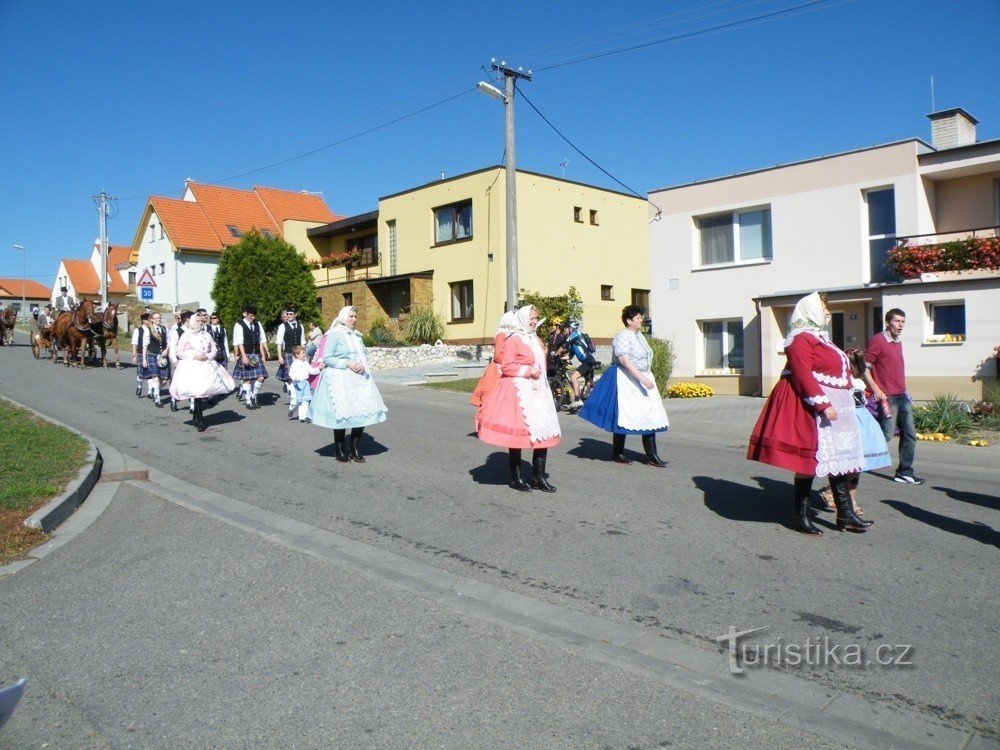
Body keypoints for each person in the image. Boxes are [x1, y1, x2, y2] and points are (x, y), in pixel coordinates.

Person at [747, 292, 872, 535]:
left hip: (833, 409)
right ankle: (799, 515)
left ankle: (845, 513)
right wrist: (823, 404)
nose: (827, 313)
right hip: (808, 407)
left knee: (835, 458)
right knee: (810, 460)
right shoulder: (800, 338)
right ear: (812, 310)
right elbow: (802, 373)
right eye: (823, 308)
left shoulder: (820, 338)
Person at [477, 305, 561, 492]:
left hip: (538, 390)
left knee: (543, 432)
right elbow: (506, 366)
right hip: (519, 391)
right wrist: (527, 370)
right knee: (517, 436)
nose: (533, 321)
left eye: (535, 318)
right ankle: (515, 478)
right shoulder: (514, 339)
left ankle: (538, 476)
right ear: (522, 319)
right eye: (530, 318)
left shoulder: (535, 338)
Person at [579, 305, 669, 467]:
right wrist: (642, 378)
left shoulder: (639, 335)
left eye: (641, 317)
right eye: (638, 318)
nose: (641, 320)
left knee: (651, 414)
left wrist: (646, 376)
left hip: (642, 377)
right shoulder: (623, 336)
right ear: (629, 320)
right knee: (623, 415)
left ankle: (652, 455)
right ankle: (618, 453)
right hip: (627, 379)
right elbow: (624, 361)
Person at [308, 305, 388, 462]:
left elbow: (363, 355)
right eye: (351, 316)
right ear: (344, 317)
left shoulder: (356, 335)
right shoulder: (334, 334)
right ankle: (339, 449)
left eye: (355, 317)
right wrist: (348, 363)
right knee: (342, 415)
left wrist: (361, 364)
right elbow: (328, 357)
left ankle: (355, 447)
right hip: (340, 378)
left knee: (361, 411)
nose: (354, 319)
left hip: (358, 379)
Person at [816, 350, 890, 517]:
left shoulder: (858, 381)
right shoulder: (838, 381)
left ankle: (844, 497)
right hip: (847, 421)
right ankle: (839, 496)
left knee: (859, 464)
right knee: (850, 463)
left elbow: (865, 376)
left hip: (862, 420)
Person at [865, 308, 924, 484]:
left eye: (903, 322)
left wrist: (905, 391)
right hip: (887, 397)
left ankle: (904, 471)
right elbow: (865, 368)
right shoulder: (878, 340)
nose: (901, 325)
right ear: (887, 322)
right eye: (897, 321)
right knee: (886, 434)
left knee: (909, 433)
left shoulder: (897, 342)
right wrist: (876, 389)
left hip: (902, 395)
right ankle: (857, 461)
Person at [168, 313, 236, 432]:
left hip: (205, 364)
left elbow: (214, 349)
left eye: (201, 321)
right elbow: (179, 351)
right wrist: (194, 356)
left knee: (202, 392)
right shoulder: (186, 335)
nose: (200, 323)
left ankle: (197, 416)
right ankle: (199, 419)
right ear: (193, 321)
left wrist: (208, 356)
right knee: (197, 393)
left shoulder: (206, 334)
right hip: (191, 365)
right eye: (198, 321)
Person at [470, 311, 517, 430]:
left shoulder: (510, 335)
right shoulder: (502, 335)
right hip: (497, 370)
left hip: (504, 369)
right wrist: (510, 362)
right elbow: (498, 356)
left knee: (503, 399)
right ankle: (484, 425)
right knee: (491, 398)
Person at [232, 305, 269, 409]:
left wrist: (264, 355)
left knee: (261, 377)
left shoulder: (258, 324)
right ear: (245, 314)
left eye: (254, 316)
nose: (253, 318)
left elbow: (261, 340)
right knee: (247, 379)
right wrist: (243, 356)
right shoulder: (239, 325)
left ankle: (254, 395)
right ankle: (248, 401)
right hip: (246, 354)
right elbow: (239, 342)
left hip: (257, 354)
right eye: (251, 315)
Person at [566, 321, 600, 407]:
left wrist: (555, 354)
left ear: (571, 328)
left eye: (567, 328)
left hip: (587, 361)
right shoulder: (576, 342)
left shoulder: (574, 336)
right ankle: (585, 399)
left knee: (574, 377)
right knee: (588, 381)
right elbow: (570, 356)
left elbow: (564, 345)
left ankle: (577, 400)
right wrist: (560, 358)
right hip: (590, 360)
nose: (566, 330)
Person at [140, 312, 170, 407]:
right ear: (152, 319)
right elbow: (145, 345)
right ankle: (157, 399)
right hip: (152, 355)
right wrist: (144, 359)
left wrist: (166, 350)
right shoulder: (148, 330)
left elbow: (169, 341)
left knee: (164, 381)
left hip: (163, 356)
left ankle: (155, 389)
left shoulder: (164, 329)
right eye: (156, 318)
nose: (158, 319)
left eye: (159, 318)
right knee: (155, 377)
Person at [167, 310, 194, 413]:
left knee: (192, 382)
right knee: (178, 382)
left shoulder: (193, 331)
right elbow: (173, 347)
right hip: (180, 361)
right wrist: (174, 360)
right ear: (187, 319)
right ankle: (173, 400)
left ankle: (192, 405)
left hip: (192, 360)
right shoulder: (177, 331)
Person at [288, 344, 323, 422]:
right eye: (302, 353)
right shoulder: (294, 364)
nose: (304, 354)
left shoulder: (306, 363)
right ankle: (291, 410)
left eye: (304, 352)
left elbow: (311, 371)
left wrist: (319, 369)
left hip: (305, 383)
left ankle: (303, 417)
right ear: (297, 355)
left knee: (306, 400)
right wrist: (295, 378)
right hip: (296, 384)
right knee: (296, 401)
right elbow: (291, 373)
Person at [276, 306, 305, 397]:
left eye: (290, 314)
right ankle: (291, 395)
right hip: (288, 353)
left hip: (299, 354)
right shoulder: (282, 326)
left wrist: (304, 355)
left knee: (299, 374)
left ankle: (296, 393)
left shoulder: (300, 326)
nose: (288, 315)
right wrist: (280, 356)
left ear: (295, 314)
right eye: (287, 314)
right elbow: (279, 343)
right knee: (290, 376)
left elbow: (303, 342)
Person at [131, 312, 150, 397]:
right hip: (140, 353)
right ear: (144, 320)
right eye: (148, 319)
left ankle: (150, 392)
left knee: (152, 373)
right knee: (140, 372)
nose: (150, 321)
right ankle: (139, 386)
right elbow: (134, 344)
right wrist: (134, 356)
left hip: (151, 353)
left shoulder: (152, 330)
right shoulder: (138, 330)